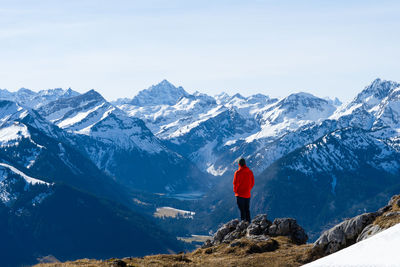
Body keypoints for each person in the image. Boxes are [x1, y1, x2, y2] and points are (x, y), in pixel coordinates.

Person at [233, 158, 254, 222]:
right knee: (247, 209)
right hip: (247, 194)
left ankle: (243, 224)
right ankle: (249, 224)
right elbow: (252, 183)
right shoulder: (250, 172)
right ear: (245, 164)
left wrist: (236, 191)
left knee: (242, 210)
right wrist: (248, 189)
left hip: (239, 195)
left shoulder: (237, 173)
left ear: (239, 164)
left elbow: (235, 183)